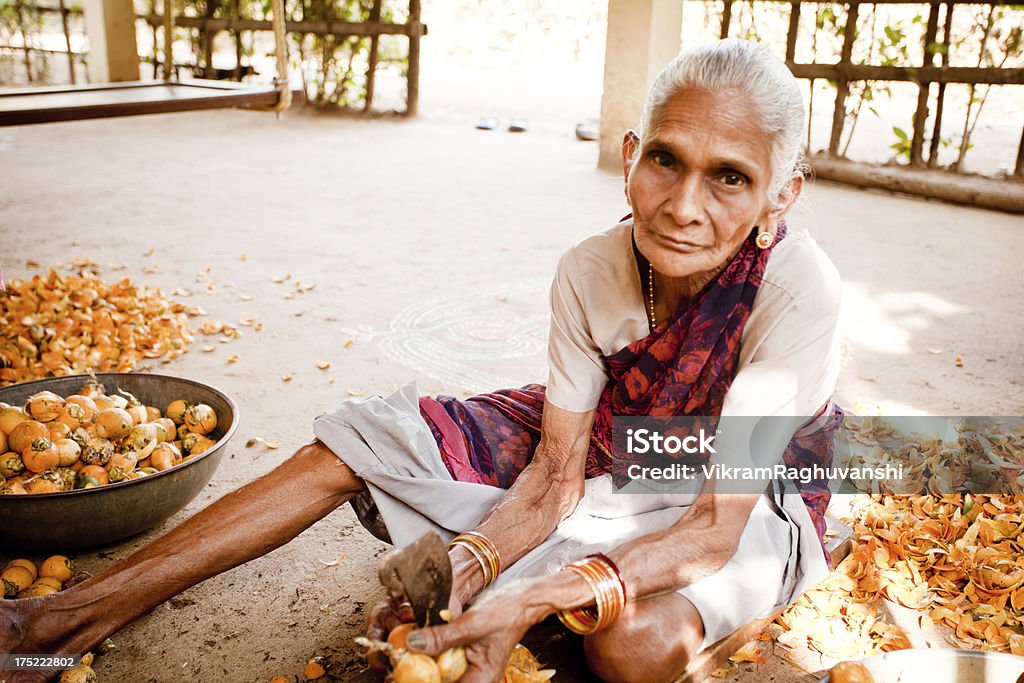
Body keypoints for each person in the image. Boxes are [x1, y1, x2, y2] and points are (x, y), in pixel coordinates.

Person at [1, 39, 843, 683]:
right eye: (667, 159)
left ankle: (569, 595)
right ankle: (58, 623)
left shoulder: (796, 290)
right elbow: (554, 476)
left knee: (631, 644)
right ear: (632, 155)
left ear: (781, 193)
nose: (683, 206)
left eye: (729, 177)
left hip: (737, 475)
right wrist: (475, 559)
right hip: (611, 440)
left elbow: (714, 525)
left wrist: (527, 592)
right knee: (355, 447)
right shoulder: (589, 270)